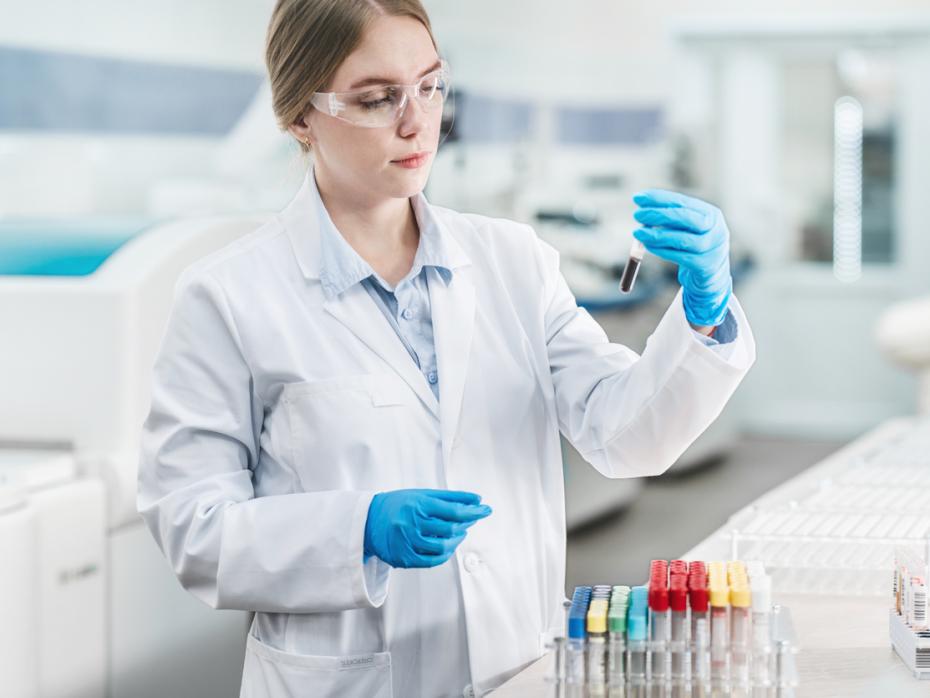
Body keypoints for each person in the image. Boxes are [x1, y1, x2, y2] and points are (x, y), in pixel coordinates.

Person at [136, 1, 756, 696]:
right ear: (299, 116)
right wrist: (355, 528)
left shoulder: (512, 261)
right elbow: (194, 529)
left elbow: (627, 435)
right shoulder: (229, 295)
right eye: (376, 99)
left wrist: (702, 319)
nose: (416, 120)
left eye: (430, 86)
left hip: (516, 663)